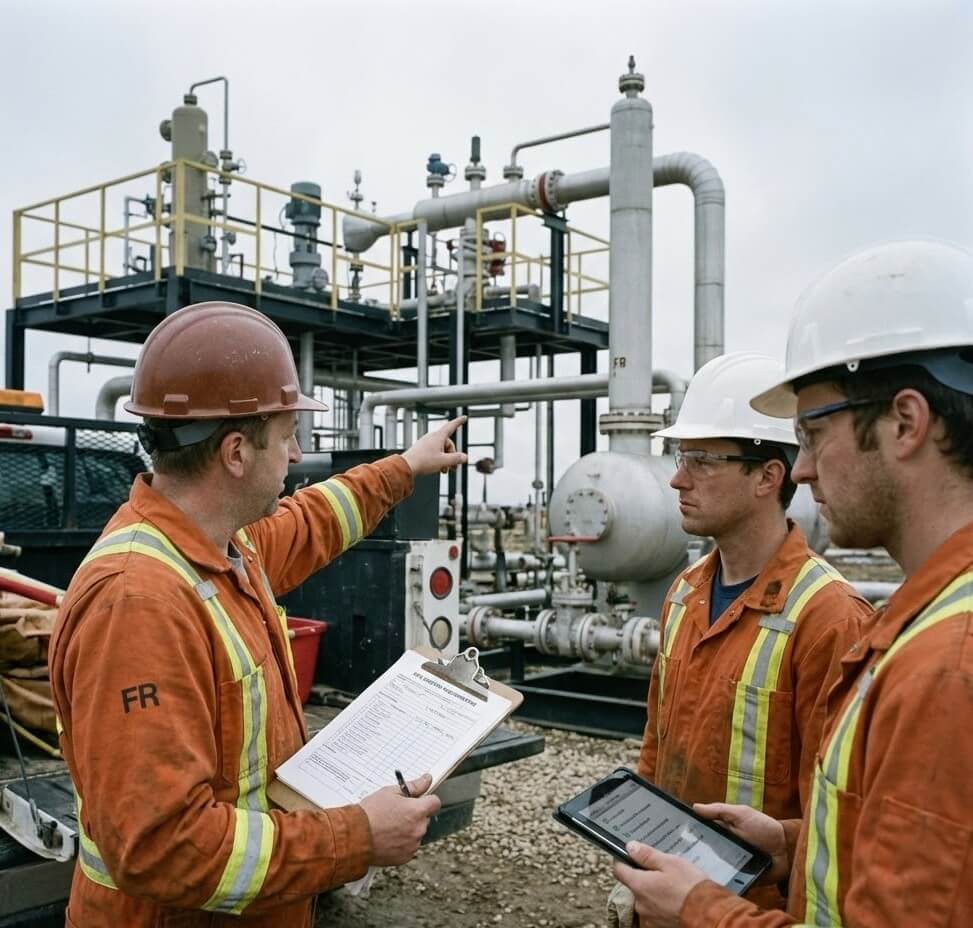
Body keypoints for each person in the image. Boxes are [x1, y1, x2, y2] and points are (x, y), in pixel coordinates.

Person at [49, 301, 466, 928]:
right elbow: (162, 849)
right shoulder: (139, 603)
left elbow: (315, 520)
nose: (297, 455)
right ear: (237, 452)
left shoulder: (221, 546)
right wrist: (355, 837)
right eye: (288, 434)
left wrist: (405, 469)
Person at [614, 240, 973, 927]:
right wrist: (788, 841)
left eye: (810, 434)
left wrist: (701, 911)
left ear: (904, 422)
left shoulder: (944, 662)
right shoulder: (923, 623)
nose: (803, 470)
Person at [608, 352, 867, 923]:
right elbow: (657, 743)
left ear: (768, 477)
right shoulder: (684, 592)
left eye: (701, 461)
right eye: (681, 457)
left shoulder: (828, 618)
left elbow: (842, 819)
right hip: (670, 894)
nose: (677, 478)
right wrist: (639, 855)